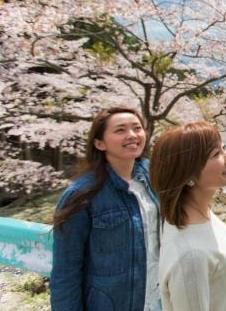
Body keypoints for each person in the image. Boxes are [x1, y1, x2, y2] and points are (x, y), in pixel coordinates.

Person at [50, 107, 161, 311]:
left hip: (155, 301)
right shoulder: (82, 194)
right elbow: (66, 270)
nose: (132, 135)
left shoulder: (152, 176)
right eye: (120, 130)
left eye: (137, 128)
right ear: (100, 143)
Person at [150, 121, 226, 311]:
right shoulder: (191, 256)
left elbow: (222, 253)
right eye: (216, 154)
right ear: (187, 174)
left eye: (224, 148)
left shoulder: (200, 215)